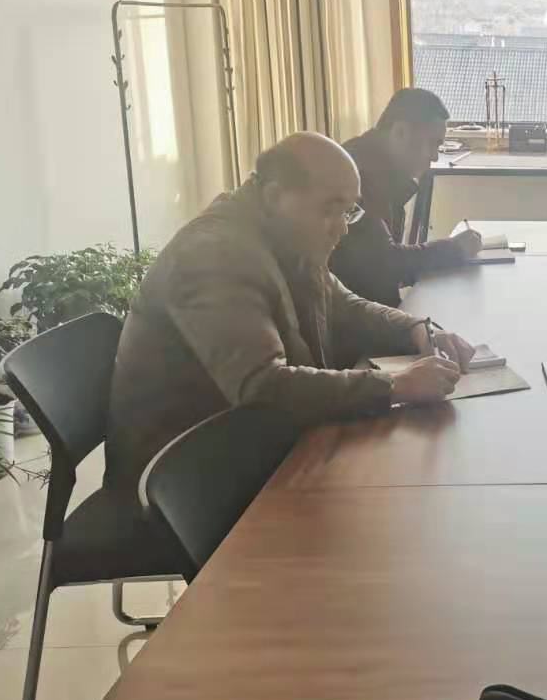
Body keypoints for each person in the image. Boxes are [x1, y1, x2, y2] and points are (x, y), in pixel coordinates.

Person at [106, 132, 475, 508]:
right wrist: (394, 386)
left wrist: (415, 329)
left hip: (248, 452)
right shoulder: (214, 255)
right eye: (330, 209)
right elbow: (263, 387)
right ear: (274, 196)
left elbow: (345, 306)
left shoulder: (284, 235)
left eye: (349, 211)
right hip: (184, 490)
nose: (342, 228)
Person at [330, 88, 483, 306]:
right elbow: (385, 264)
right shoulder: (358, 175)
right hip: (356, 316)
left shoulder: (374, 163)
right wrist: (454, 249)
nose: (435, 156)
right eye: (432, 143)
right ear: (400, 132)